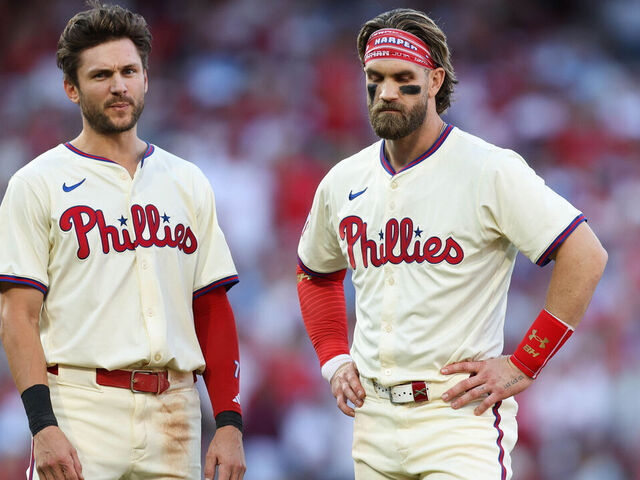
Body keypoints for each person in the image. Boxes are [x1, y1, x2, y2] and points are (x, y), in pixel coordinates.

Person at [296, 8, 607, 480]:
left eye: (404, 79)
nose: (386, 93)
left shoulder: (488, 168)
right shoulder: (344, 180)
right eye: (375, 79)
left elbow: (585, 254)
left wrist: (526, 362)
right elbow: (315, 272)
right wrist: (334, 360)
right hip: (373, 422)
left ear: (435, 79)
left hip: (458, 421)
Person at [0, 3, 245, 479]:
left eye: (129, 71)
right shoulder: (38, 183)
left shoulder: (186, 180)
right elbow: (17, 315)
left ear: (146, 79)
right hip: (80, 408)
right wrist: (42, 425)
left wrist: (230, 422)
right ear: (71, 89)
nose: (119, 85)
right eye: (101, 75)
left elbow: (211, 305)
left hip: (175, 412)